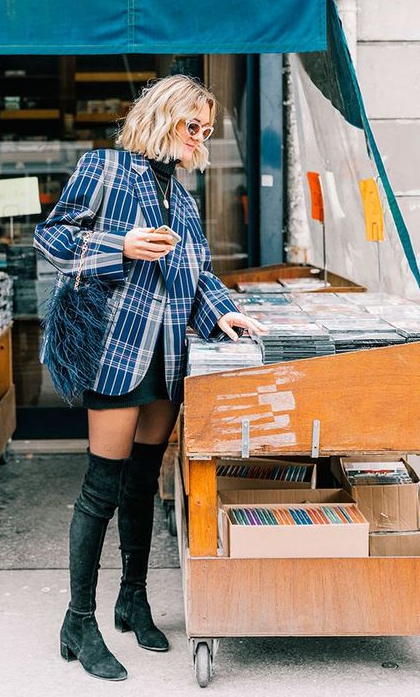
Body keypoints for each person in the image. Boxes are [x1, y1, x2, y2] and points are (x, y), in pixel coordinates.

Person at [33, 74, 267, 681]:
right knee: (101, 487)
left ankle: (132, 599)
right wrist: (121, 245)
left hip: (168, 359)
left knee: (142, 485)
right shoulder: (106, 169)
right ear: (163, 117)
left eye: (207, 131)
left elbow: (199, 276)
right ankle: (77, 620)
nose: (200, 139)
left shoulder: (183, 198)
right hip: (117, 350)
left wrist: (225, 312)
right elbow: (52, 238)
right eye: (193, 126)